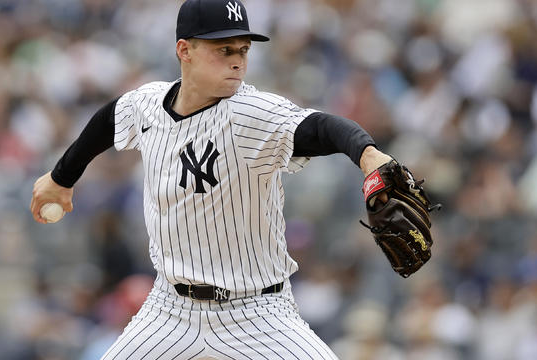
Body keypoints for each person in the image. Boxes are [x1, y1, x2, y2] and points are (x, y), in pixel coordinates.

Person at [31, 0, 393, 358]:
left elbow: (320, 127)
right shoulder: (148, 104)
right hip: (169, 310)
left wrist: (368, 155)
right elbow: (109, 119)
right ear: (184, 50)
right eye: (224, 49)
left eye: (243, 49)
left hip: (257, 313)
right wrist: (62, 177)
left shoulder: (250, 113)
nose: (237, 60)